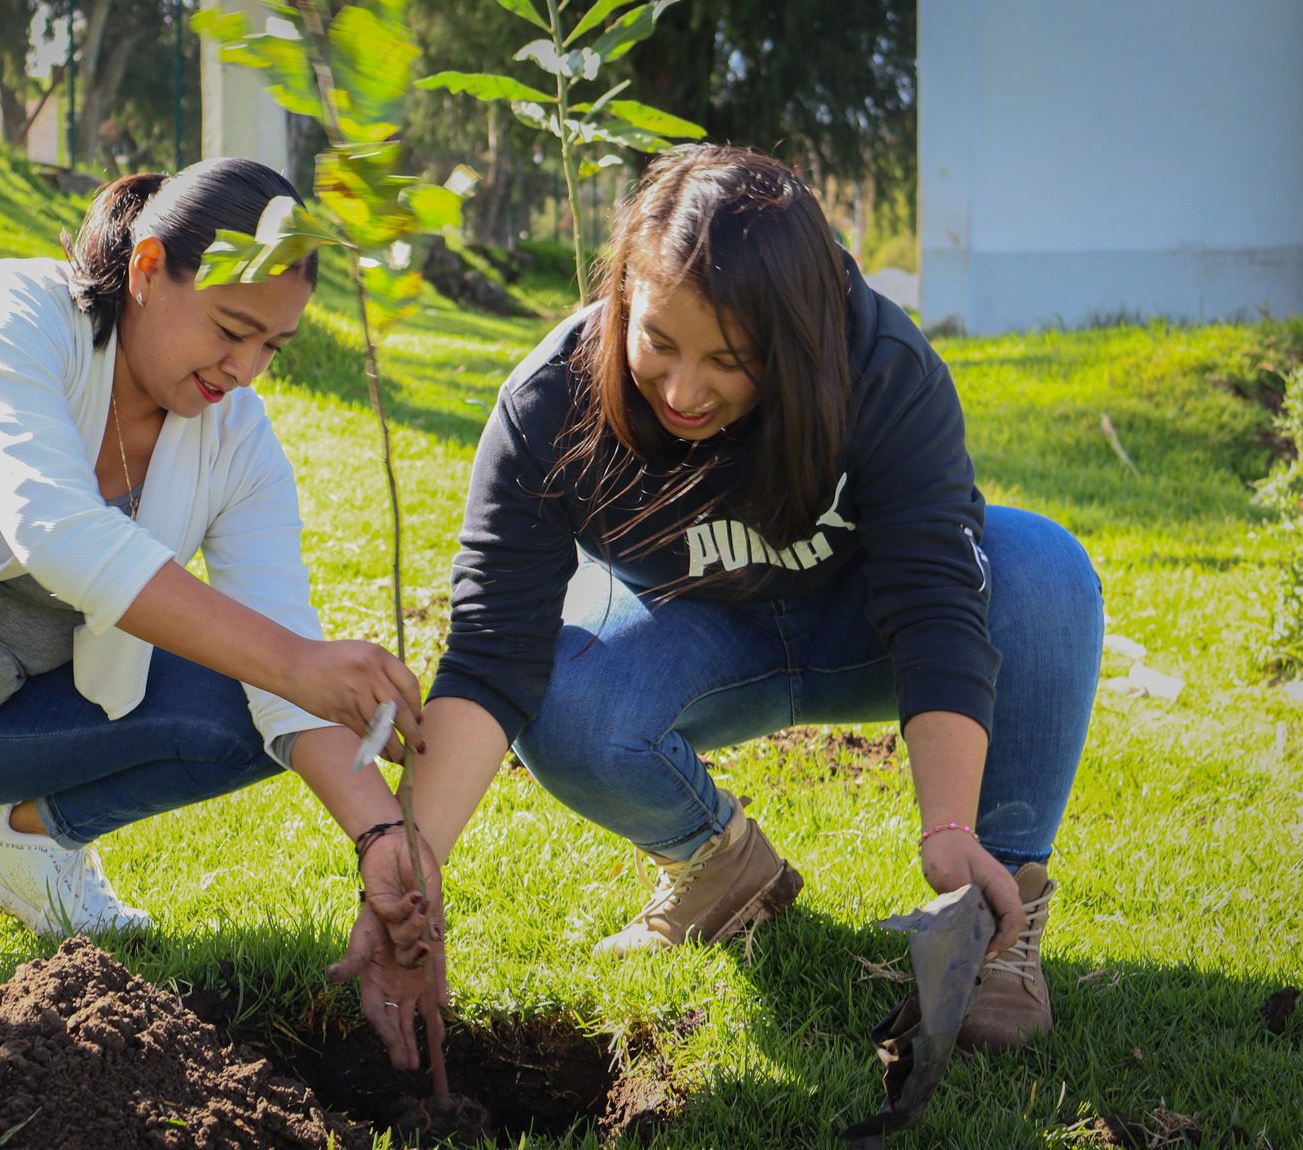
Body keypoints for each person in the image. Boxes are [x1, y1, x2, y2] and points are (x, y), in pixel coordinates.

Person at [0, 158, 435, 1068]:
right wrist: (296, 663)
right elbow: (53, 529)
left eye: (272, 347)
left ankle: (29, 845)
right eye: (230, 327)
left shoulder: (236, 442)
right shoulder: (13, 314)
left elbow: (282, 674)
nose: (246, 369)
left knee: (247, 687)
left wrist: (378, 839)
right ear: (144, 270)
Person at [397, 145, 1102, 1055]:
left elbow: (937, 611)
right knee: (562, 690)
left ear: (799, 337)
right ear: (620, 299)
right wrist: (413, 869)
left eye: (729, 359)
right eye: (657, 341)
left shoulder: (882, 370)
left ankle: (993, 913)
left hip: (864, 626)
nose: (685, 391)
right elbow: (492, 650)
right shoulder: (552, 401)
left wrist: (950, 829)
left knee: (1040, 569)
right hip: (697, 635)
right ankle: (718, 866)